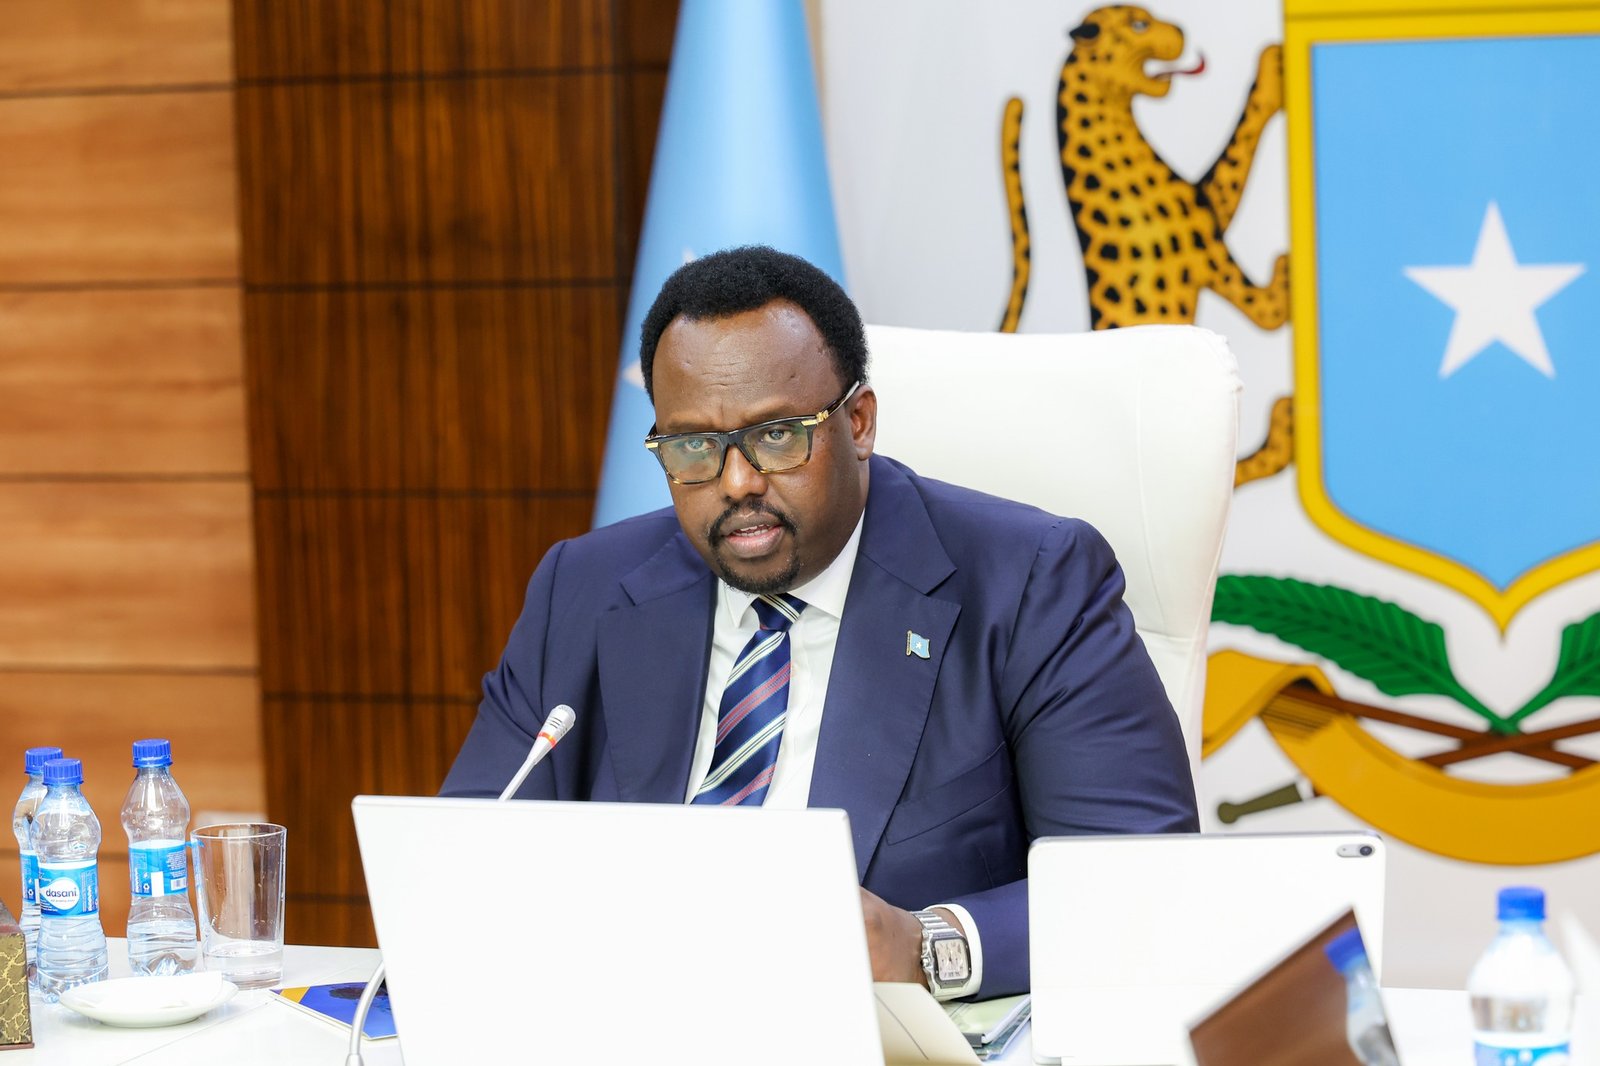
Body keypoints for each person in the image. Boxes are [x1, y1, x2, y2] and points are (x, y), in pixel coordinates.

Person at [441, 245, 1197, 999]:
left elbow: (1142, 883)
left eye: (776, 435)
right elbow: (463, 869)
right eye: (695, 446)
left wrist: (927, 947)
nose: (737, 483)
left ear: (858, 422)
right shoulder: (585, 585)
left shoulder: (1031, 581)